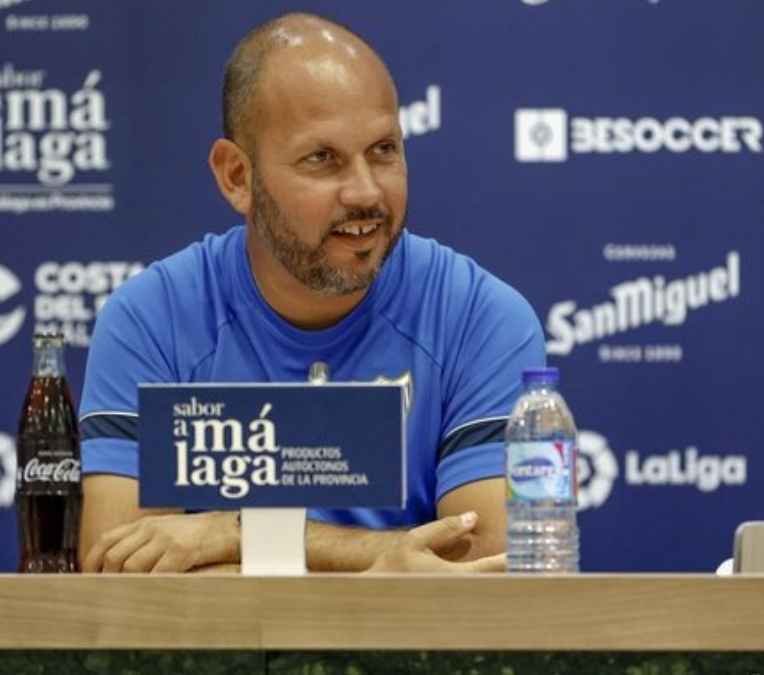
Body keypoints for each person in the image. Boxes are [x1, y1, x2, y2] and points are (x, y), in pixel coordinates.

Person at [77, 12, 544, 574]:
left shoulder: (481, 318)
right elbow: (121, 571)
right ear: (236, 177)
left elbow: (490, 569)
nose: (365, 192)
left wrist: (231, 534)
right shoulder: (151, 320)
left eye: (383, 150)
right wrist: (383, 561)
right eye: (321, 159)